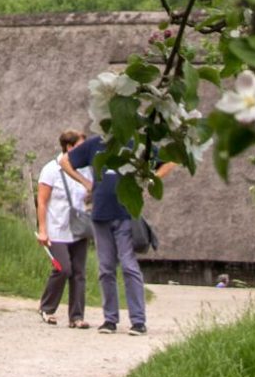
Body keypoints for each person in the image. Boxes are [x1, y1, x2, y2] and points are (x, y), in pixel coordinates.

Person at [68, 131, 181, 336]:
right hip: (100, 212)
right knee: (105, 268)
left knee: (129, 266)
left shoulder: (136, 143)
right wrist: (86, 183)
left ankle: (138, 321)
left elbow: (170, 161)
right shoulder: (95, 144)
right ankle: (109, 319)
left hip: (126, 212)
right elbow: (65, 161)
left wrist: (150, 180)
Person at [35, 129, 94, 328]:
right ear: (69, 147)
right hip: (56, 227)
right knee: (63, 268)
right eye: (80, 147)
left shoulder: (85, 170)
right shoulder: (51, 170)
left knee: (79, 272)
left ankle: (76, 316)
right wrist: (42, 229)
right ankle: (47, 307)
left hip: (78, 227)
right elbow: (42, 201)